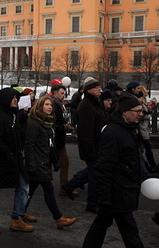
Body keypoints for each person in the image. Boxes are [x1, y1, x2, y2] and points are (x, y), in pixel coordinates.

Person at [79, 94, 159, 248]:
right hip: (117, 191)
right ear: (124, 112)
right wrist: (105, 196)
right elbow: (104, 167)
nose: (141, 114)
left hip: (123, 188)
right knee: (131, 233)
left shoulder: (127, 129)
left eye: (141, 111)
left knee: (101, 223)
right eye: (137, 111)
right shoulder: (113, 132)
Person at [0, 87, 33, 234]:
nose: (16, 100)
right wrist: (8, 153)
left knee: (23, 187)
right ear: (5, 100)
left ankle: (17, 218)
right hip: (1, 161)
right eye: (13, 98)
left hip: (15, 160)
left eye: (16, 97)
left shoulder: (13, 115)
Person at [24, 95, 77, 229]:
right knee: (48, 189)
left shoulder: (47, 123)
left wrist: (55, 161)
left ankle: (20, 211)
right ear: (40, 106)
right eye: (47, 104)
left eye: (51, 105)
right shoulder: (34, 123)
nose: (50, 107)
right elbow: (29, 145)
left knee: (30, 189)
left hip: (44, 162)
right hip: (38, 163)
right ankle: (58, 218)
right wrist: (31, 165)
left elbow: (50, 145)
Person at [62, 77, 105, 213]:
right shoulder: (86, 105)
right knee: (95, 174)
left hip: (96, 145)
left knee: (93, 171)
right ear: (89, 90)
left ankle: (69, 186)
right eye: (97, 87)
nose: (100, 89)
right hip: (91, 147)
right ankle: (92, 204)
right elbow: (86, 131)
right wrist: (90, 151)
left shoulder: (94, 102)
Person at [49, 83, 76, 198]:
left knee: (64, 163)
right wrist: (64, 127)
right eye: (62, 93)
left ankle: (64, 187)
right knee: (63, 162)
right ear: (55, 93)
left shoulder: (58, 104)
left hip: (58, 140)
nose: (63, 95)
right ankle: (63, 188)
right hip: (54, 140)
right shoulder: (52, 105)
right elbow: (51, 124)